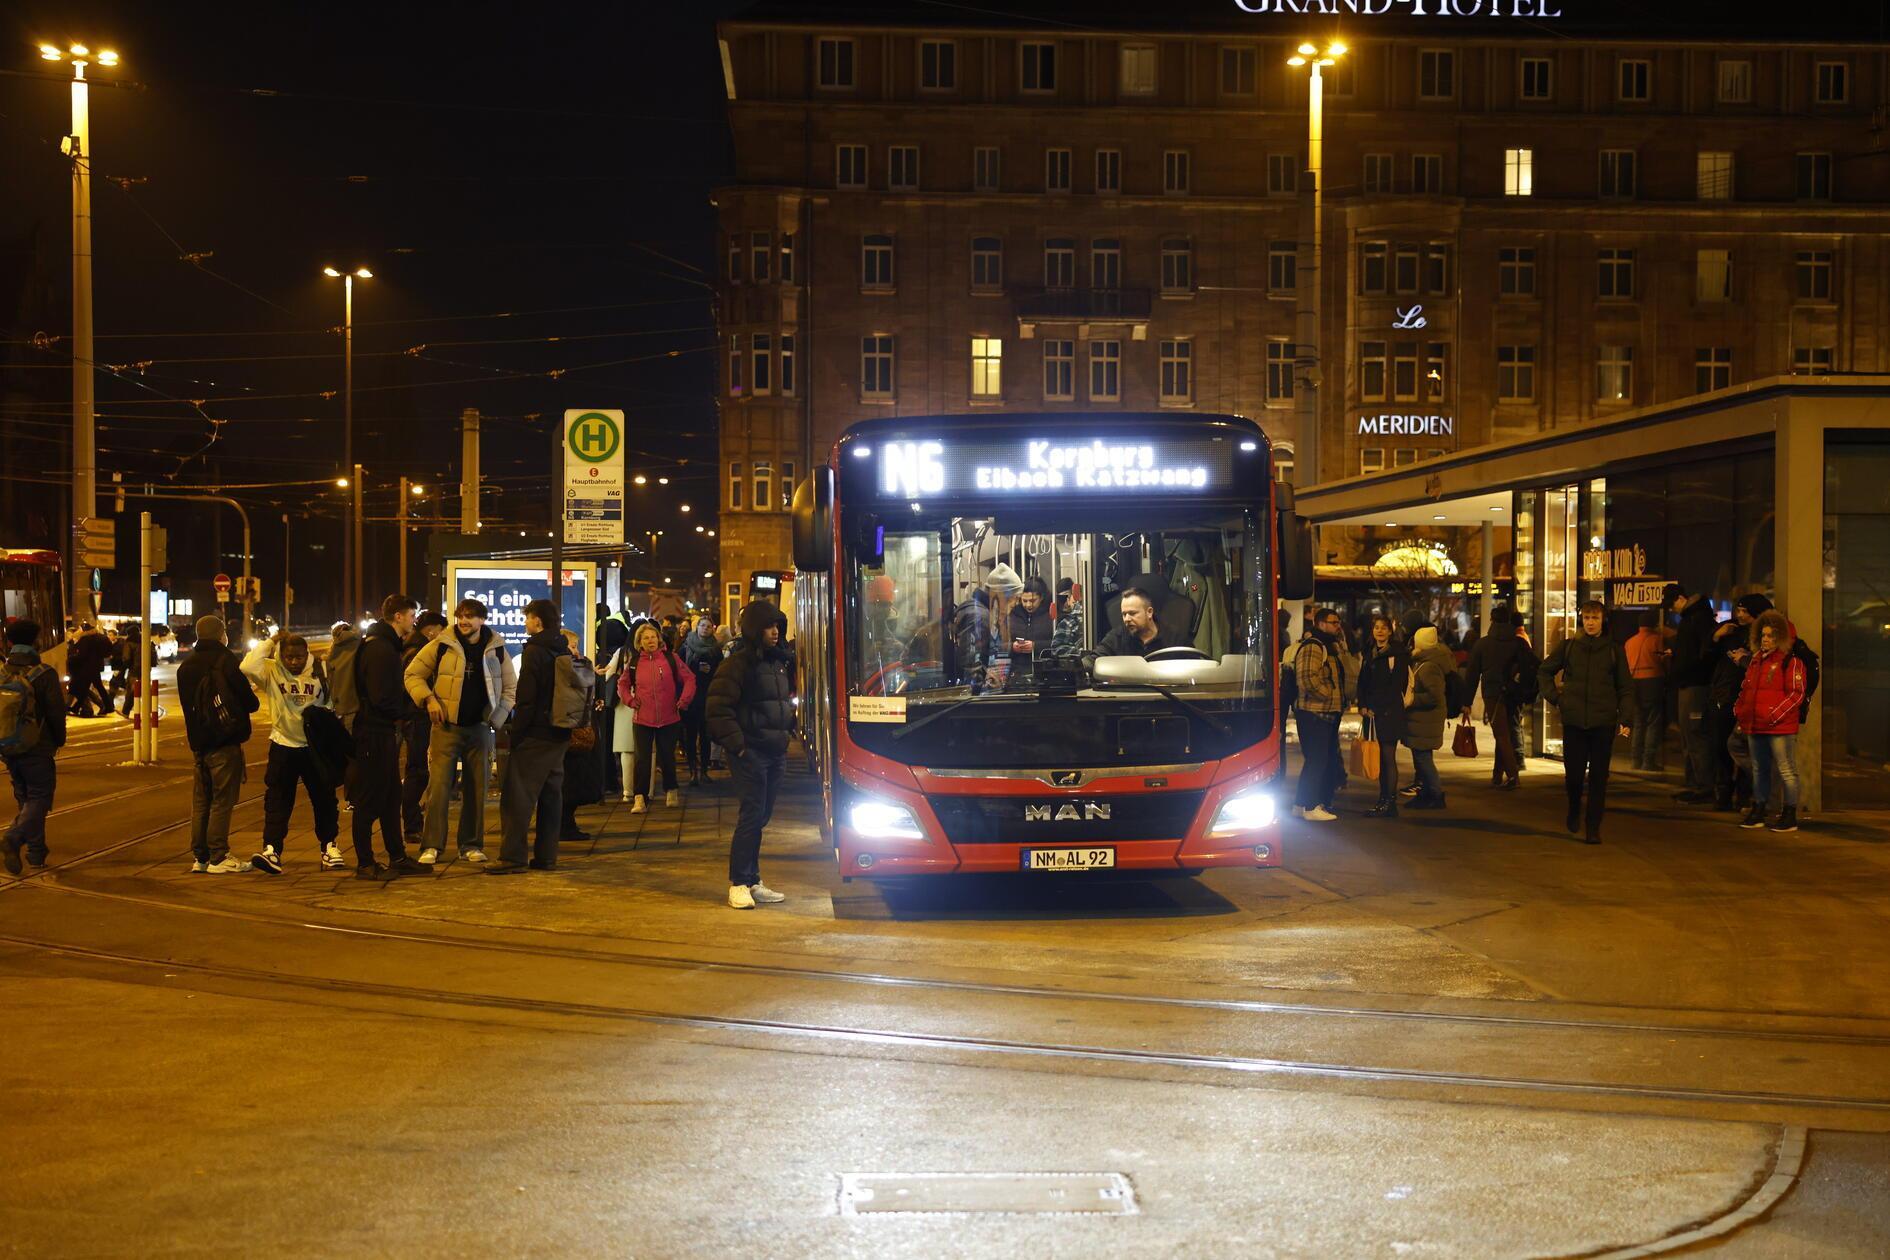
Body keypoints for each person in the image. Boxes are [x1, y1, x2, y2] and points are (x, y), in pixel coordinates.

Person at [404, 597, 515, 865]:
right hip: (446, 728)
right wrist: (428, 700)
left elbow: (511, 688)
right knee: (439, 789)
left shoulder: (497, 648)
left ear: (482, 620)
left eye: (470, 617)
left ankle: (471, 845)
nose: (464, 621)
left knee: (477, 790)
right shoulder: (441, 645)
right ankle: (431, 846)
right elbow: (412, 674)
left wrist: (496, 719)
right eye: (460, 616)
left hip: (479, 728)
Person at [705, 601, 794, 910]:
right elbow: (717, 708)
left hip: (774, 752)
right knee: (751, 816)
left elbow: (782, 702)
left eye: (778, 626)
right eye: (770, 626)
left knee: (761, 817)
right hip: (751, 753)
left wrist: (787, 733)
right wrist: (740, 747)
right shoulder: (738, 664)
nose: (776, 632)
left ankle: (753, 879)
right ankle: (739, 883)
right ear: (756, 629)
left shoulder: (777, 663)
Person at [241, 631, 344, 873]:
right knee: (277, 799)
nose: (294, 662)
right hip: (282, 743)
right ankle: (272, 850)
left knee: (324, 799)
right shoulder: (272, 670)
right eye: (289, 657)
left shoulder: (321, 670)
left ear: (307, 654)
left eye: (298, 657)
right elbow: (247, 665)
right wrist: (271, 641)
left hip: (315, 748)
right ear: (281, 656)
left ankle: (329, 847)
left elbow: (331, 704)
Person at [1539, 601, 1633, 845]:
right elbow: (1545, 671)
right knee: (1574, 776)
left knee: (1599, 778)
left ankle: (1593, 827)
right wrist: (1557, 699)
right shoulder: (1569, 647)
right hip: (1574, 721)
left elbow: (1625, 687)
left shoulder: (1614, 650)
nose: (1591, 622)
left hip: (1603, 722)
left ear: (1604, 621)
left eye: (1595, 618)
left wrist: (1625, 718)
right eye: (1587, 618)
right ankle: (1573, 808)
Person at [347, 596, 428, 880]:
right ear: (397, 617)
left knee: (392, 797)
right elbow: (382, 697)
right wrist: (410, 709)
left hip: (382, 732)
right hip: (375, 733)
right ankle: (365, 863)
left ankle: (397, 856)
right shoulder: (381, 649)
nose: (413, 621)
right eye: (411, 615)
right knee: (369, 799)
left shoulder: (382, 645)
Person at [487, 599, 570, 875]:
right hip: (559, 732)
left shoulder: (535, 651)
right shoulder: (561, 647)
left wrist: (517, 733)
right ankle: (547, 856)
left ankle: (512, 857)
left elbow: (526, 699)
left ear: (537, 621)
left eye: (528, 618)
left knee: (517, 797)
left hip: (536, 733)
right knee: (551, 796)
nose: (525, 623)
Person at [175, 615, 260, 873]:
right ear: (221, 634)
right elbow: (250, 702)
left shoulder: (185, 666)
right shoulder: (225, 662)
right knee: (223, 800)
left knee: (201, 801)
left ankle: (200, 858)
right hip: (225, 741)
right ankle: (219, 856)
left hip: (199, 745)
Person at [1734, 610, 1808, 833]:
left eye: (1771, 636)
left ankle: (1789, 814)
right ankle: (1759, 809)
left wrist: (1774, 715)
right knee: (1760, 769)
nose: (1766, 639)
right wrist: (1740, 711)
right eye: (1764, 635)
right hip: (1756, 725)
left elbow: (1796, 694)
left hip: (1778, 726)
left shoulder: (1791, 662)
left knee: (1786, 769)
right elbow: (1746, 690)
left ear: (1781, 638)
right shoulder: (1756, 661)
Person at [2, 620, 66, 875]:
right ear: (36, 641)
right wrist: (59, 740)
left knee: (25, 798)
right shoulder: (44, 673)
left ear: (8, 643)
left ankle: (36, 853)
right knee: (39, 797)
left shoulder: (1, 672)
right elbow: (55, 713)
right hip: (38, 747)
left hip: (8, 746)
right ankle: (14, 838)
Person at [619, 621, 696, 812]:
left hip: (669, 717)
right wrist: (630, 700)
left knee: (667, 757)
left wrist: (684, 700)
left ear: (658, 639)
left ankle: (671, 790)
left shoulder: (671, 659)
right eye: (646, 638)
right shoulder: (634, 663)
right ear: (640, 642)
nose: (650, 640)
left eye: (653, 637)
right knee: (642, 759)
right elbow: (622, 685)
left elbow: (690, 679)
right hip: (642, 718)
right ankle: (639, 798)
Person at [1292, 606, 1356, 822]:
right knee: (1317, 760)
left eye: (1338, 622)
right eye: (1333, 622)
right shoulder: (1314, 646)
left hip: (1324, 712)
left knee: (1316, 759)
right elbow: (1307, 679)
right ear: (1320, 624)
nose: (1338, 626)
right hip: (1315, 712)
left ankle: (1301, 804)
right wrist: (1327, 695)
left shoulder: (1331, 646)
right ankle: (1311, 805)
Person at [1707, 595, 1770, 811]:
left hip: (1745, 697)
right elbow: (1707, 656)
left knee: (1743, 747)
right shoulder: (1730, 630)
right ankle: (1724, 792)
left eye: (1745, 611)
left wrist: (1744, 660)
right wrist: (1716, 637)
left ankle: (1744, 793)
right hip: (1724, 695)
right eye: (1738, 610)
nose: (1740, 615)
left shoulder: (1764, 635)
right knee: (1721, 746)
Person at [1461, 606, 1534, 790]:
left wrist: (1466, 702)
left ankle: (1512, 776)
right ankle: (1497, 775)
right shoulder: (1518, 643)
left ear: (1492, 621)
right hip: (1514, 693)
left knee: (1501, 734)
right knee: (1505, 733)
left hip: (1493, 694)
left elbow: (1471, 676)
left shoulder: (1483, 644)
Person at [399, 611, 449, 840]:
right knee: (418, 770)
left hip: (416, 715)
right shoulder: (419, 650)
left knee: (418, 769)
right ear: (431, 630)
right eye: (441, 631)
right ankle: (412, 824)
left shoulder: (411, 645)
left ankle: (413, 820)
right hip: (418, 716)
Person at [1668, 585, 1719, 802]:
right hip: (1690, 681)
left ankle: (1704, 786)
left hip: (1695, 684)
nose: (1672, 610)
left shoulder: (1697, 618)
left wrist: (1683, 664)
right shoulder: (1694, 618)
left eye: (1672, 604)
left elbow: (1703, 654)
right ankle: (1696, 783)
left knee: (1696, 735)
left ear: (1681, 598)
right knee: (1691, 736)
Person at [1355, 613, 1409, 818]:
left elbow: (1397, 686)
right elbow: (1363, 682)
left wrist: (1377, 707)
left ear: (1390, 631)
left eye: (1384, 628)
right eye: (1376, 627)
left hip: (1389, 712)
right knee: (1379, 757)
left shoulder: (1397, 654)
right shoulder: (1370, 652)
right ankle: (1382, 800)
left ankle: (1390, 802)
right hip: (1371, 713)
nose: (1379, 631)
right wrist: (1363, 705)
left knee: (1388, 757)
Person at [558, 628, 605, 841]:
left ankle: (567, 823)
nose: (575, 650)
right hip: (571, 727)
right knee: (569, 780)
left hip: (582, 727)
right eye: (571, 645)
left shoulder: (580, 664)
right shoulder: (563, 666)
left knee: (577, 779)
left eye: (576, 646)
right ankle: (564, 825)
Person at [1403, 625, 1453, 810]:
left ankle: (1435, 794)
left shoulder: (1430, 665)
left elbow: (1435, 696)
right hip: (1421, 720)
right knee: (1421, 758)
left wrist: (1412, 699)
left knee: (1423, 759)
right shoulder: (1422, 661)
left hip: (1426, 720)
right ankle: (1426, 794)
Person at [680, 613, 723, 784]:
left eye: (708, 626)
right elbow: (679, 670)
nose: (705, 628)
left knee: (706, 735)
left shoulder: (716, 649)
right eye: (702, 625)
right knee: (690, 735)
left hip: (707, 695)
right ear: (696, 627)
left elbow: (720, 671)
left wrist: (710, 670)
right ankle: (692, 771)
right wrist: (696, 668)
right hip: (690, 696)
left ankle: (704, 770)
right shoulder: (686, 646)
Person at [1624, 610, 1668, 772]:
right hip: (1653, 681)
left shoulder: (1629, 642)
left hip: (1633, 682)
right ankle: (1648, 761)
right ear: (1654, 624)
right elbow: (1662, 661)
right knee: (1653, 722)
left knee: (1638, 722)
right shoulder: (1657, 640)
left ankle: (1635, 760)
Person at [1095, 588, 1171, 658]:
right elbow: (1093, 660)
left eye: (1132, 613)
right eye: (1124, 614)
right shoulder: (1117, 638)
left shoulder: (1173, 639)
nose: (1127, 619)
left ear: (1149, 612)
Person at [1006, 576, 1056, 680]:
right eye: (1024, 601)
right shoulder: (1013, 614)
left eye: (1033, 600)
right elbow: (999, 644)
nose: (1028, 605)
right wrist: (1012, 647)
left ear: (1041, 597)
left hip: (1045, 671)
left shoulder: (1051, 615)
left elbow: (1058, 644)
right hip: (1016, 672)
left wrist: (1035, 646)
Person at [65, 622, 110, 718]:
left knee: (84, 688)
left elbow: (82, 655)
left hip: (87, 668)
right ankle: (77, 708)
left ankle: (107, 706)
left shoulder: (86, 639)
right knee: (88, 688)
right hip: (94, 667)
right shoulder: (95, 638)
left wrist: (72, 658)